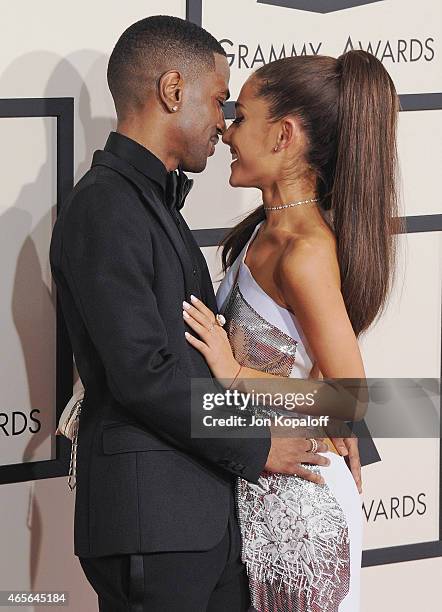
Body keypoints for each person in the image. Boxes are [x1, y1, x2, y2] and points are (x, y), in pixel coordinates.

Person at [49, 16, 340, 612]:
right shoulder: (106, 206)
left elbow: (345, 391)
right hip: (153, 526)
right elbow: (144, 374)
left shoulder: (151, 201)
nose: (221, 123)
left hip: (195, 521)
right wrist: (258, 445)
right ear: (172, 90)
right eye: (216, 100)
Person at [182, 50, 401, 611]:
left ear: (283, 135)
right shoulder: (264, 231)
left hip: (301, 521)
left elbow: (348, 399)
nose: (227, 132)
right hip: (258, 501)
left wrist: (233, 373)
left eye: (243, 117)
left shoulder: (304, 251)